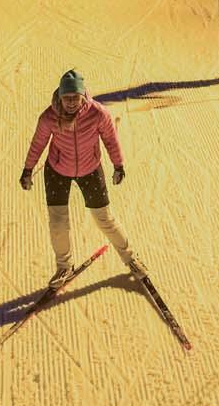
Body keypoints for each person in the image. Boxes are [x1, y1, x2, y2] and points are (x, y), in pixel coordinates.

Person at [21, 69, 144, 284]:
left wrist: (118, 165)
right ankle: (63, 267)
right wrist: (27, 170)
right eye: (66, 98)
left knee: (104, 219)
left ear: (83, 95)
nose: (70, 103)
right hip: (57, 170)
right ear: (59, 96)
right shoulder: (49, 116)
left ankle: (131, 258)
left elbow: (110, 139)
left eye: (74, 98)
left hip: (90, 169)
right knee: (58, 224)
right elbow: (38, 143)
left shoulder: (98, 114)